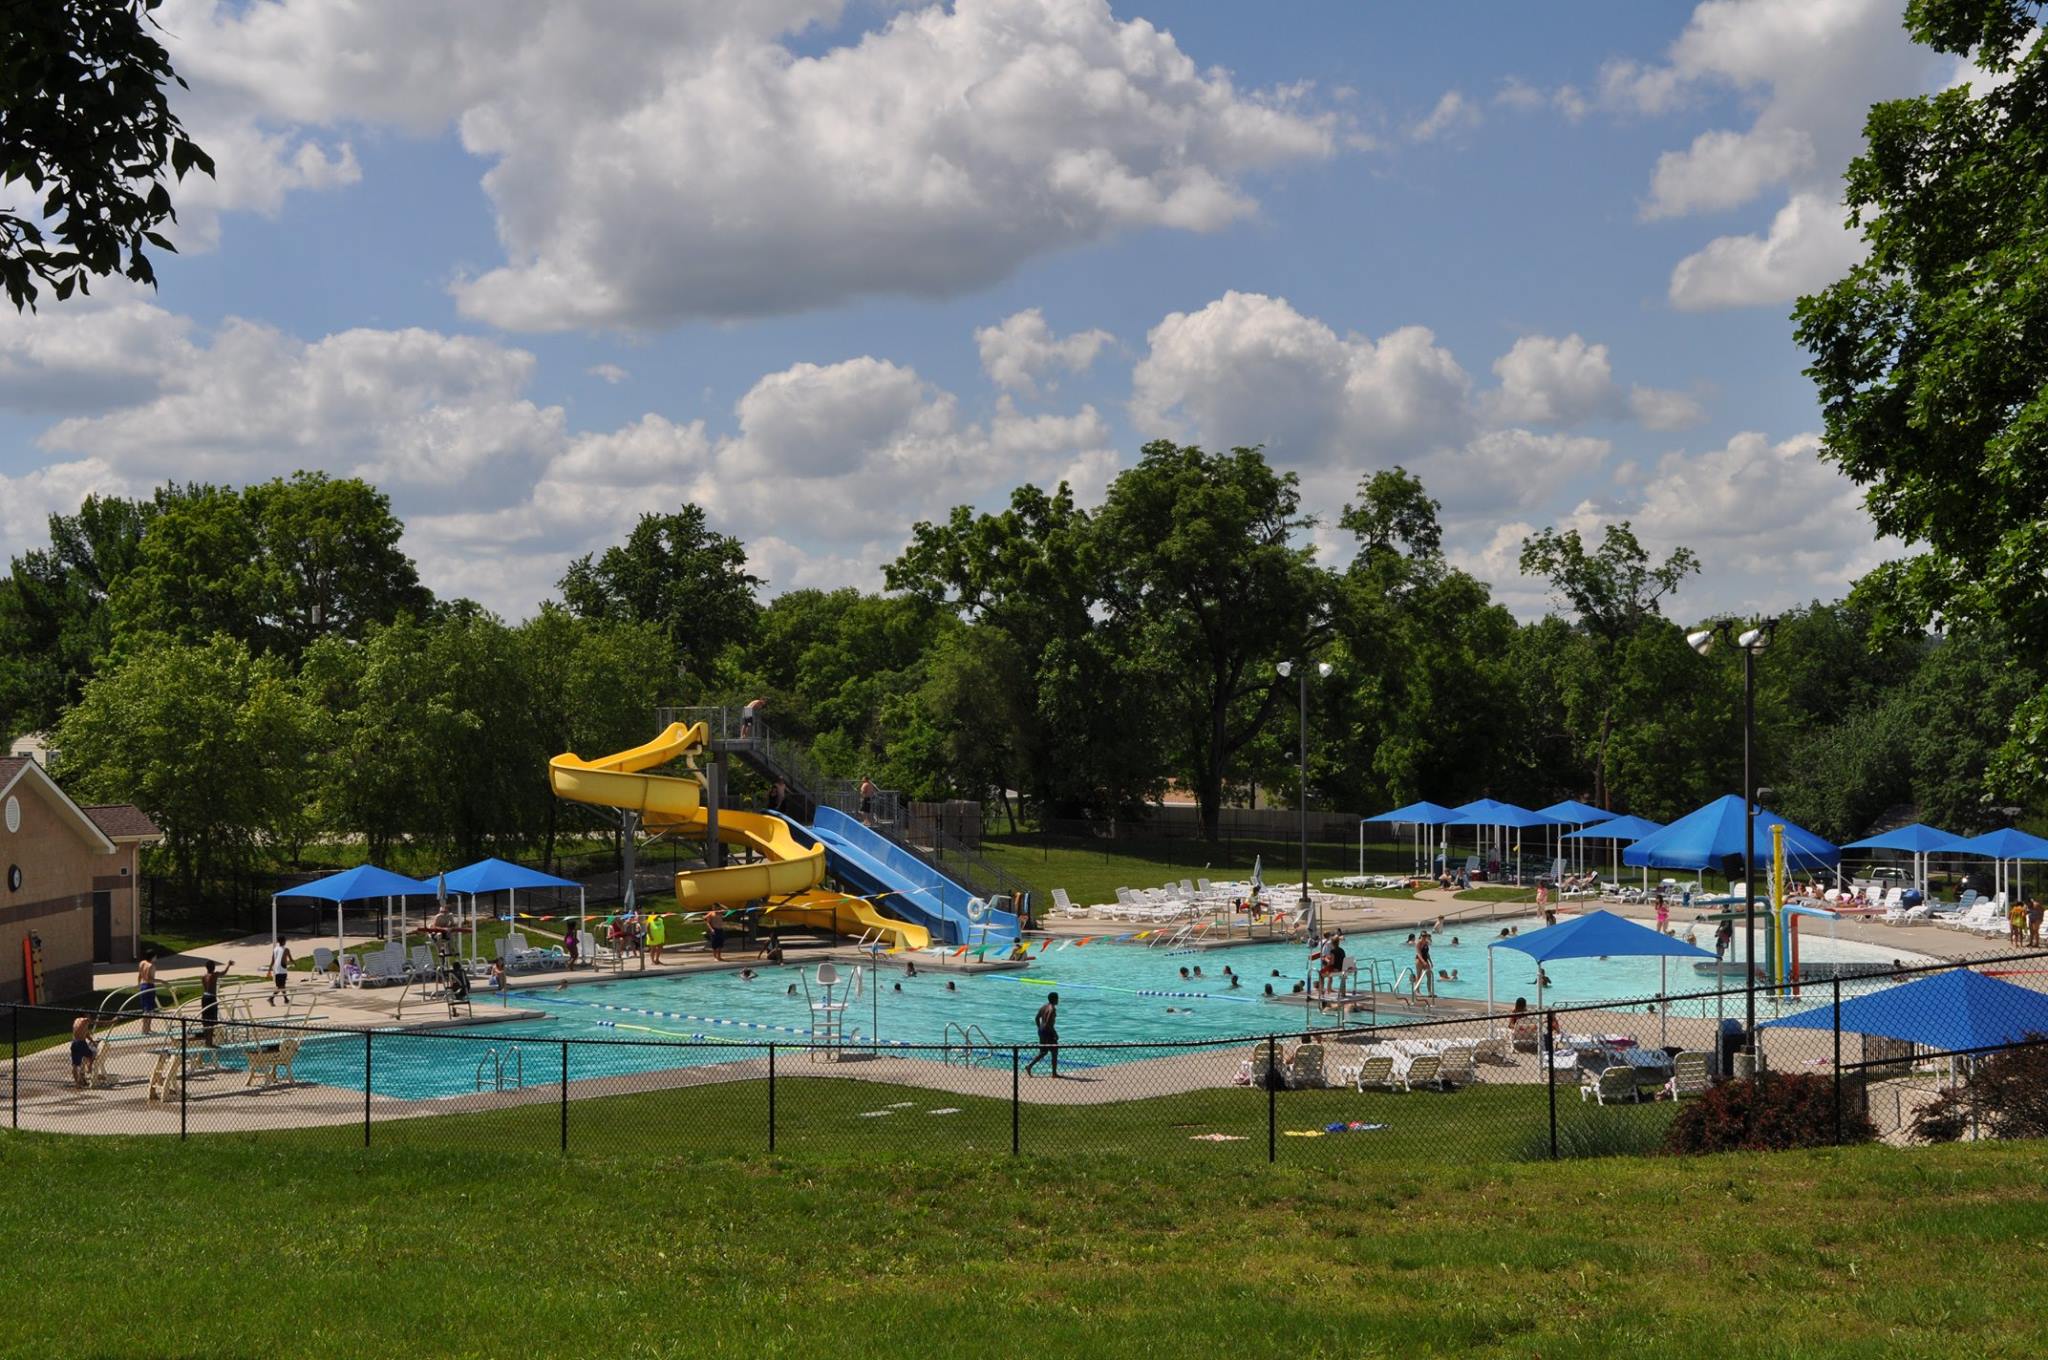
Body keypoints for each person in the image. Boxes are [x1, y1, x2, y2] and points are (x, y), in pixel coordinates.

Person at [1024, 991, 1060, 1077]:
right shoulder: (1052, 1009)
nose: (1059, 1000)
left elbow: (1037, 1018)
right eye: (1058, 998)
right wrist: (1055, 1033)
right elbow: (1048, 1023)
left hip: (1042, 1030)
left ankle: (1029, 1066)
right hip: (1048, 1031)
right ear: (1055, 999)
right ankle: (1054, 1073)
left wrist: (1040, 1028)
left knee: (1043, 1051)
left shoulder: (1044, 1007)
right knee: (1054, 1051)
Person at [199, 958, 230, 1047]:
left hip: (204, 997)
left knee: (205, 1020)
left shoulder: (203, 977)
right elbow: (224, 973)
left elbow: (205, 988)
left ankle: (207, 1042)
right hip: (211, 998)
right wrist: (229, 965)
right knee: (211, 1021)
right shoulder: (214, 975)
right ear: (214, 967)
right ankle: (210, 1043)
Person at [69, 1015, 98, 1089]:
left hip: (74, 1043)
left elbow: (86, 1034)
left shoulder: (76, 1021)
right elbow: (98, 1022)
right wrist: (112, 1021)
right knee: (92, 1054)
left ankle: (77, 1083)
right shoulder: (85, 1020)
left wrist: (92, 1041)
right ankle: (89, 1067)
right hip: (81, 1043)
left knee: (75, 1065)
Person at [136, 950, 158, 1035]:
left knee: (146, 1009)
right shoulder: (151, 966)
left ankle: (147, 1029)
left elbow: (140, 975)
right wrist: (163, 981)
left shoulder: (142, 963)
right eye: (155, 956)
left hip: (143, 986)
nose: (156, 958)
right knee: (149, 1010)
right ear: (152, 957)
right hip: (149, 986)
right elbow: (150, 979)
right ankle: (146, 1029)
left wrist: (138, 985)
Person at [268, 938, 293, 1007]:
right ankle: (271, 998)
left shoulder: (275, 949)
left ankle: (286, 999)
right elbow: (290, 958)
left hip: (277, 969)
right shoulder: (286, 950)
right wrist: (294, 963)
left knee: (282, 985)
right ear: (284, 941)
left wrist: (269, 970)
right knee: (280, 986)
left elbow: (272, 960)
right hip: (283, 970)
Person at [1413, 931, 1434, 999]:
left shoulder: (1426, 943)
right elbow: (1418, 953)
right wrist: (1423, 961)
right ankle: (1417, 991)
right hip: (1419, 960)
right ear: (1420, 936)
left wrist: (1430, 962)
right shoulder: (1418, 943)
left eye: (1426, 936)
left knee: (1429, 976)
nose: (1424, 937)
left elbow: (1427, 953)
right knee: (1418, 976)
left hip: (1425, 960)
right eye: (1423, 936)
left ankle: (1429, 992)